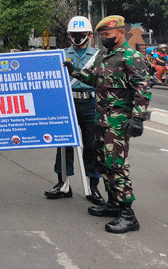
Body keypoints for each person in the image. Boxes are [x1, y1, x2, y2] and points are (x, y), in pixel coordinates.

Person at [64, 15, 151, 234]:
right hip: (101, 117)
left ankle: (128, 215)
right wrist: (72, 69)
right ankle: (112, 203)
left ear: (121, 32)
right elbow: (94, 80)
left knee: (116, 165)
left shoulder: (131, 56)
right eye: (102, 35)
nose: (105, 38)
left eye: (108, 35)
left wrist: (138, 118)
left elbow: (143, 87)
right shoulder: (104, 56)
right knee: (102, 162)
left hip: (119, 121)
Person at [44, 16, 105, 206]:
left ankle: (92, 186)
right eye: (74, 34)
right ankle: (63, 184)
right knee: (64, 145)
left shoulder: (98, 56)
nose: (78, 38)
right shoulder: (61, 55)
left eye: (81, 34)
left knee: (92, 145)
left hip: (90, 104)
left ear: (89, 35)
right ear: (69, 35)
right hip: (67, 103)